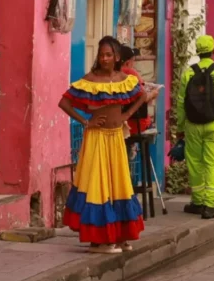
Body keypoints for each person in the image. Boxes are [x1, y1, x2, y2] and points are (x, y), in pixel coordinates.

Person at [59, 36, 158, 254]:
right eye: (101, 55)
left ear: (117, 57)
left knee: (118, 185)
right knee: (98, 186)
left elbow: (141, 96)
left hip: (116, 138)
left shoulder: (124, 79)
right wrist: (86, 122)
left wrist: (126, 116)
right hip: (97, 139)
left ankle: (119, 235)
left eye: (108, 55)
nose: (104, 58)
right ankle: (99, 240)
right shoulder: (91, 79)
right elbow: (64, 102)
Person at [175, 35, 214, 220]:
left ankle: (197, 202)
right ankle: (209, 206)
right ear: (213, 50)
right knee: (212, 164)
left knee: (195, 163)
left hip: (192, 126)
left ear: (197, 51)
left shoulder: (188, 73)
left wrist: (180, 127)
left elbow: (181, 103)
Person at [119, 45, 153, 136]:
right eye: (133, 61)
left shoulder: (112, 73)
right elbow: (144, 97)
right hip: (134, 125)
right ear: (127, 62)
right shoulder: (130, 73)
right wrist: (154, 93)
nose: (133, 64)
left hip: (118, 123)